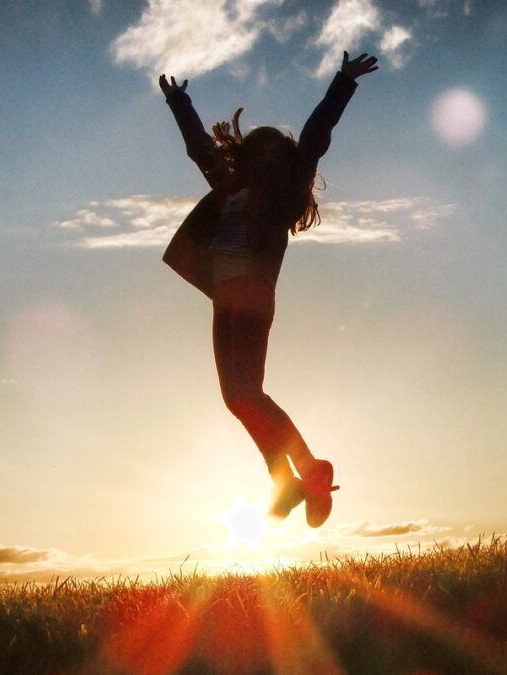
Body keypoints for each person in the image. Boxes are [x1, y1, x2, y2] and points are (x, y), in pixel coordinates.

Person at [159, 51, 379, 528]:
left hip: (253, 293)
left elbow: (316, 138)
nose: (261, 151)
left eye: (269, 146)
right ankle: (297, 479)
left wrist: (343, 81)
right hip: (224, 296)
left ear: (278, 155)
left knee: (249, 391)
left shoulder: (284, 188)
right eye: (255, 146)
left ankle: (301, 473)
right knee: (237, 397)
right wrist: (179, 102)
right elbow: (201, 150)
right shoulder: (229, 183)